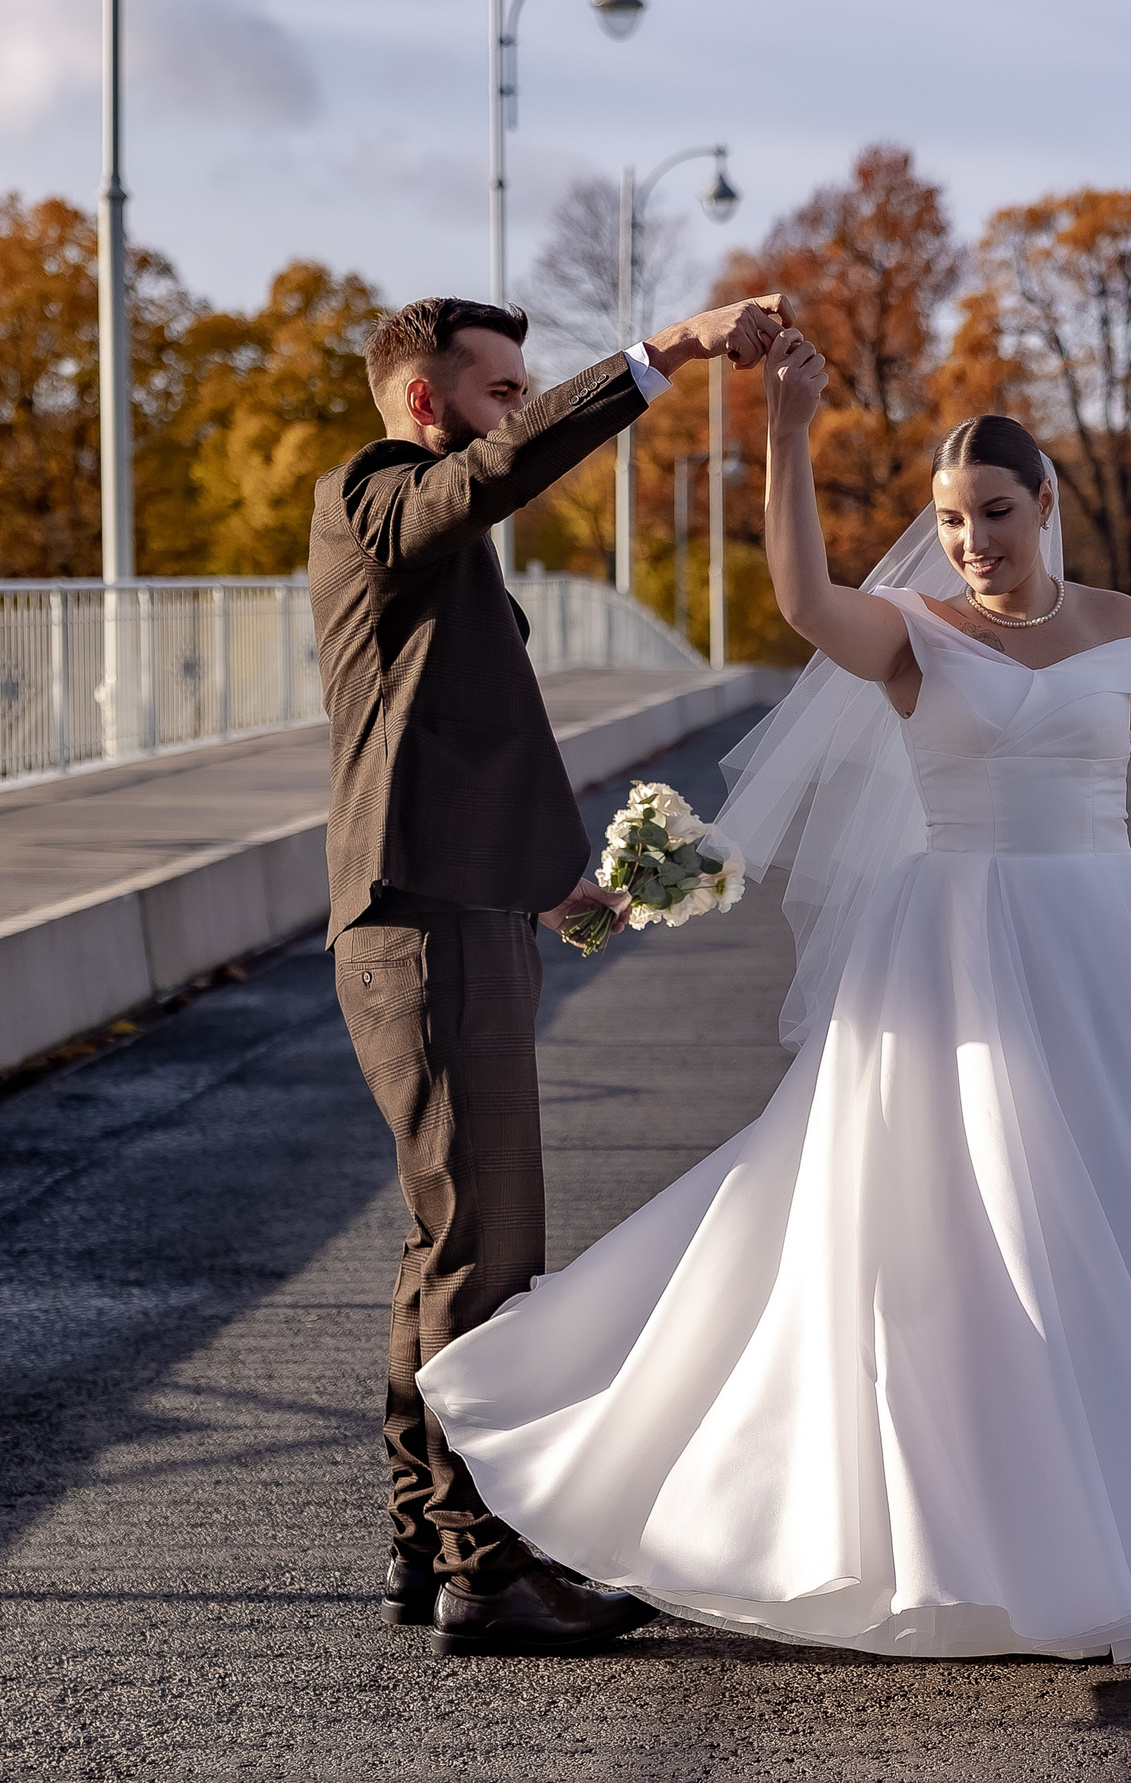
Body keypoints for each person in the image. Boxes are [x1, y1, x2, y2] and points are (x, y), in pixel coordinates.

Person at [411, 325, 1131, 1662]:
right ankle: (990, 1553)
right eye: (953, 522)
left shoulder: (1121, 628)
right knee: (975, 1249)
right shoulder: (912, 639)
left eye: (997, 517)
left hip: (1109, 951)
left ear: (1049, 505)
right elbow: (797, 602)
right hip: (956, 958)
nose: (975, 545)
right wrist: (789, 432)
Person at [306, 291, 785, 1658]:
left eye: (525, 387)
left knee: (447, 1244)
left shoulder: (432, 553)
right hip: (424, 929)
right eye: (499, 388)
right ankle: (488, 1567)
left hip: (462, 911)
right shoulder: (378, 496)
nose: (515, 407)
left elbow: (454, 744)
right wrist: (666, 357)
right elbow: (493, 475)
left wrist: (552, 881)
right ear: (424, 404)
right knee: (487, 1251)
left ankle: (423, 1535)